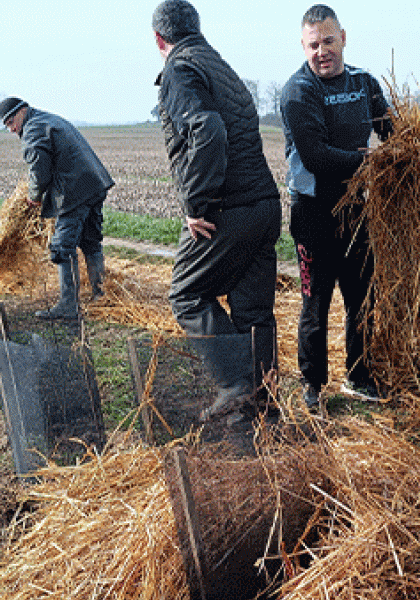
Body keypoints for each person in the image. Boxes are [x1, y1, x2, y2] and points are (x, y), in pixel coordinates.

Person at [152, 0, 282, 426]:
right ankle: (262, 407)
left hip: (227, 209)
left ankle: (235, 385)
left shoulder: (179, 69)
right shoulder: (219, 65)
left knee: (187, 295)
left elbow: (207, 130)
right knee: (253, 312)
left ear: (159, 39)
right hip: (263, 205)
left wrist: (195, 204)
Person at [280, 4, 391, 410]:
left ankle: (359, 376)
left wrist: (406, 152)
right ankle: (313, 384)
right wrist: (372, 162)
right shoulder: (298, 91)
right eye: (313, 45)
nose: (321, 51)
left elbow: (391, 130)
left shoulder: (364, 83)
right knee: (316, 302)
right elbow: (316, 157)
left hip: (358, 211)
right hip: (313, 213)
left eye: (328, 41)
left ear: (343, 38)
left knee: (363, 299)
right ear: (303, 46)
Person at [0, 97, 115, 320]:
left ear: (22, 111)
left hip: (74, 190)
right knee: (91, 242)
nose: (12, 129)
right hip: (94, 183)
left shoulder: (33, 129)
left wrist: (34, 196)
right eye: (7, 126)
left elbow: (38, 168)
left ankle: (68, 306)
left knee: (62, 247)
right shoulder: (47, 119)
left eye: (11, 122)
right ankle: (102, 296)